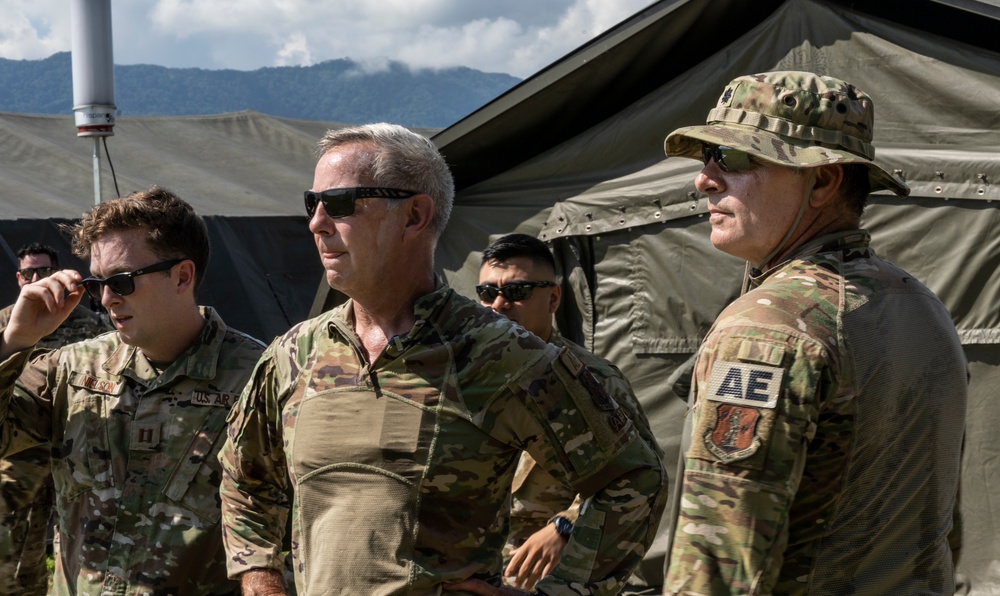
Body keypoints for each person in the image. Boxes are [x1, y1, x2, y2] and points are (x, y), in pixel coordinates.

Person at [218, 123, 666, 596]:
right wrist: (261, 579)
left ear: (414, 216)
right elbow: (246, 480)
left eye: (343, 203)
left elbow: (634, 477)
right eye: (314, 202)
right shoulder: (293, 354)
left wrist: (555, 593)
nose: (317, 223)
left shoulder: (500, 353)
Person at [660, 71, 968, 594]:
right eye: (707, 157)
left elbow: (717, 565)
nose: (705, 179)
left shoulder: (770, 326)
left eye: (734, 159)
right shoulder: (920, 304)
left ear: (822, 181)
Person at [0, 186, 265, 595]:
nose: (106, 299)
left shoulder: (257, 378)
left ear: (182, 276)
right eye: (96, 283)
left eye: (122, 281)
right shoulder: (70, 371)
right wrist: (14, 343)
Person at [476, 233, 660, 592]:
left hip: (542, 582)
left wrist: (567, 525)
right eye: (487, 293)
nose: (499, 304)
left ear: (553, 297)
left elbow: (643, 480)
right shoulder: (463, 377)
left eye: (517, 291)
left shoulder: (591, 379)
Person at [0, 243, 108, 595]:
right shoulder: (6, 322)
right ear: (19, 278)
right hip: (19, 452)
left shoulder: (90, 324)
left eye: (43, 271)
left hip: (73, 447)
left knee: (76, 541)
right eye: (28, 273)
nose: (36, 279)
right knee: (20, 547)